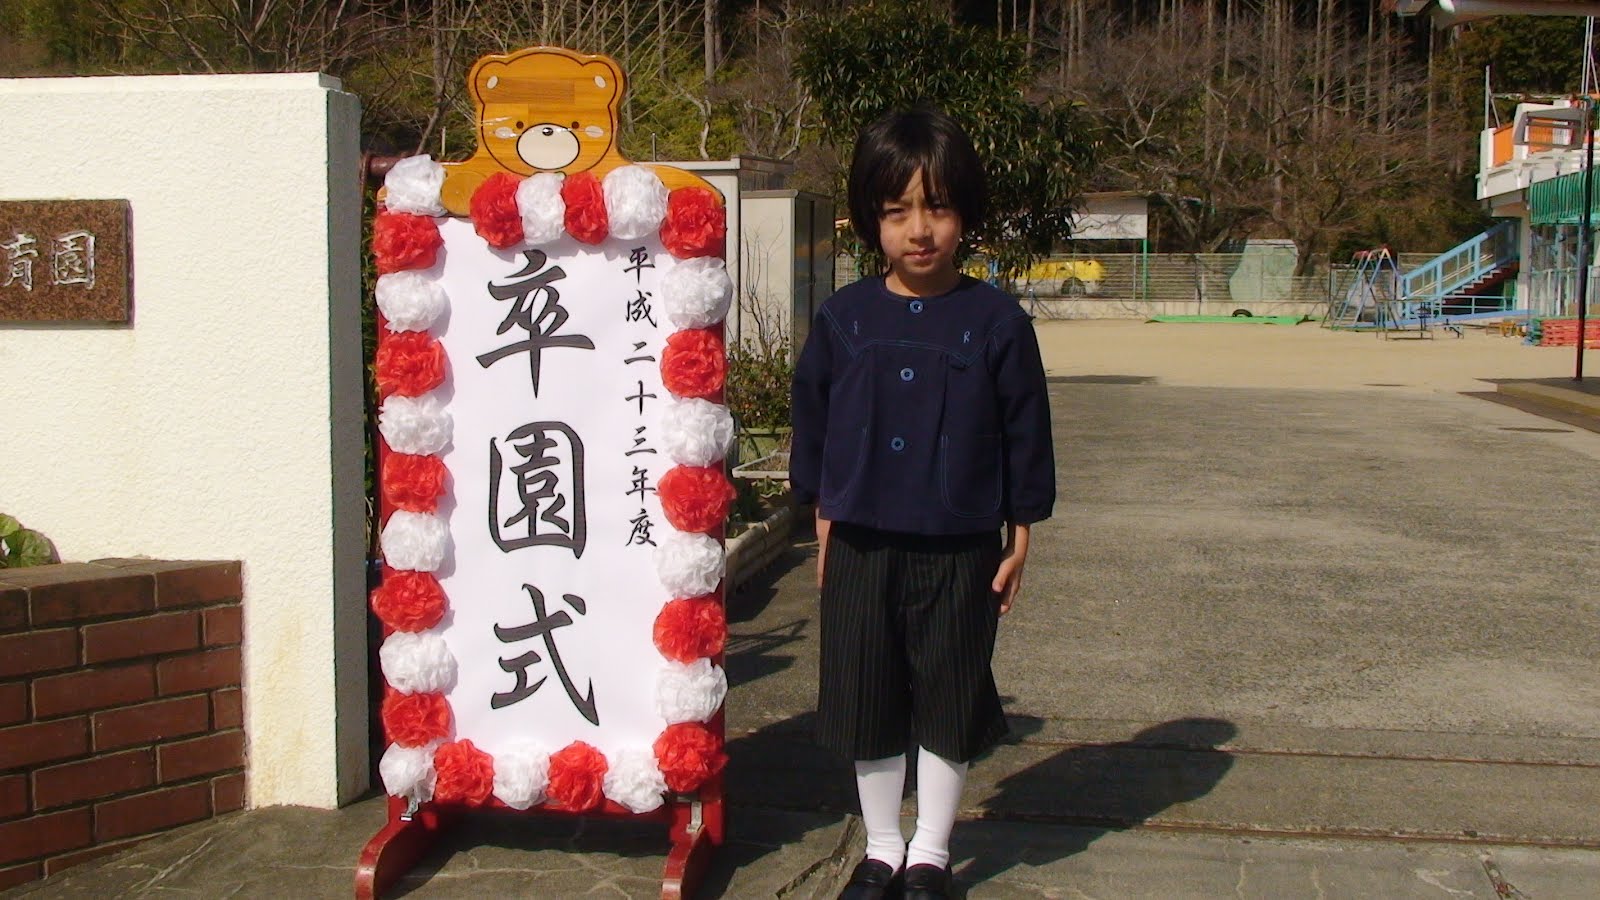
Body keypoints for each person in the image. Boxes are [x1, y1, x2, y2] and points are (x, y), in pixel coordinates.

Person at [789, 105, 1056, 900]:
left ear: (964, 212)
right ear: (869, 217)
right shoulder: (843, 318)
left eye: (936, 207)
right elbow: (814, 419)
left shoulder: (997, 322)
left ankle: (931, 854)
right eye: (896, 210)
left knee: (949, 696)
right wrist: (822, 512)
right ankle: (881, 849)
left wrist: (1021, 531)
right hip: (861, 541)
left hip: (961, 543)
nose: (919, 229)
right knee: (866, 693)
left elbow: (1026, 429)